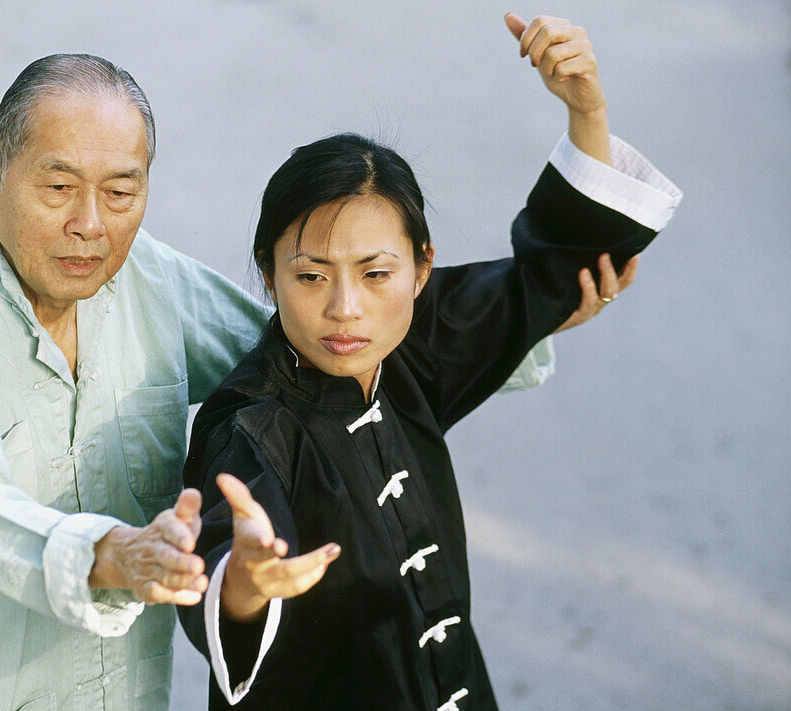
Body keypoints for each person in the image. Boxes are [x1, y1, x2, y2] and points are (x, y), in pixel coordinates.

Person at [0, 48, 641, 711]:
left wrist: (523, 316)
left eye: (121, 191)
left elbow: (327, 339)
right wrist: (120, 555)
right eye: (58, 187)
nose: (91, 221)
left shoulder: (144, 281)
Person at [177, 13, 682, 711]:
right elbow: (228, 543)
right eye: (311, 275)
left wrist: (585, 108)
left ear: (422, 268)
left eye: (375, 273)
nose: (346, 309)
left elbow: (561, 266)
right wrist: (246, 579)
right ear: (268, 275)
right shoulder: (252, 425)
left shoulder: (413, 343)